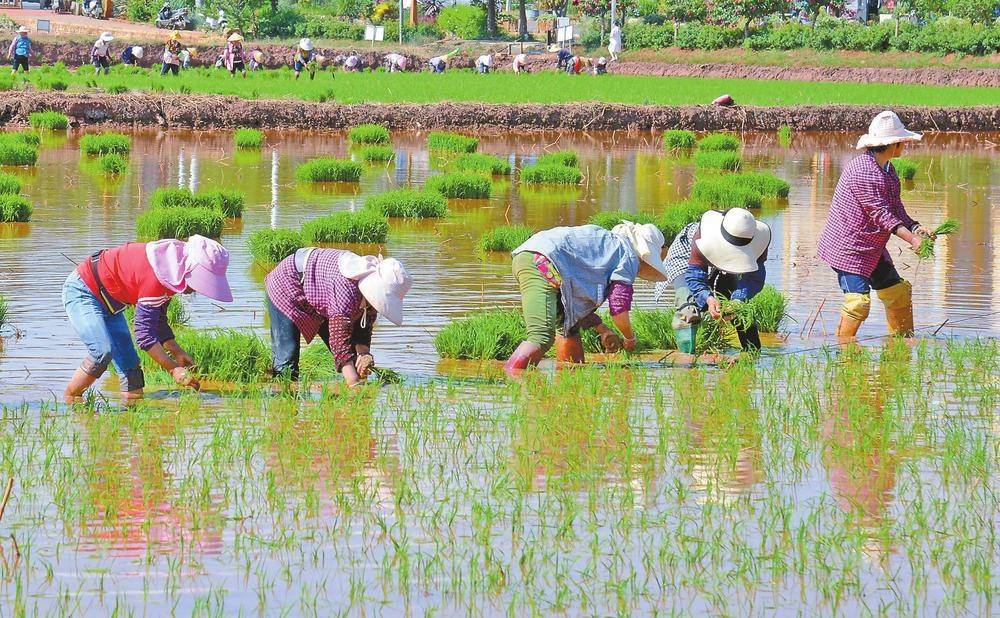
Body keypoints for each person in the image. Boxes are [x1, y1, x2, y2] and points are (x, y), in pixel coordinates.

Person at [62, 236, 234, 403]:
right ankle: (71, 400)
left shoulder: (172, 271)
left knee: (131, 369)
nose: (196, 289)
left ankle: (130, 413)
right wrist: (173, 369)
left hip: (112, 304)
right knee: (102, 352)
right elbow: (144, 334)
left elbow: (158, 320)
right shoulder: (158, 276)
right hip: (83, 290)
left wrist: (177, 351)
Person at [817, 110, 932, 340]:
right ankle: (844, 349)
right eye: (903, 142)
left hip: (871, 247)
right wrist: (912, 240)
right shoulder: (864, 170)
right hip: (848, 248)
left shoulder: (888, 169)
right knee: (858, 303)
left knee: (898, 294)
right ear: (893, 144)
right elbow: (882, 215)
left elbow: (895, 208)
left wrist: (916, 228)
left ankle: (902, 346)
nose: (905, 145)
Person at [503, 221, 671, 377]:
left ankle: (570, 382)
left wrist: (603, 329)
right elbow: (619, 307)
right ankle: (511, 380)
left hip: (530, 257)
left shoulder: (609, 247)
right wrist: (629, 338)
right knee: (541, 337)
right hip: (542, 262)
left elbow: (577, 303)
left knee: (569, 326)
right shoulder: (628, 257)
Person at [264, 248, 412, 387]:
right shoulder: (346, 291)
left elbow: (363, 327)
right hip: (286, 284)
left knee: (353, 360)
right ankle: (281, 396)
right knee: (286, 365)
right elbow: (339, 343)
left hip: (319, 292)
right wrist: (354, 385)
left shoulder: (369, 299)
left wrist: (364, 354)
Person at [656, 208, 771, 357]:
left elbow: (754, 278)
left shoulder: (756, 240)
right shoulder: (704, 238)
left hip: (730, 256)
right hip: (687, 255)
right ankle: (687, 360)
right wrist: (708, 298)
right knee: (688, 309)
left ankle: (751, 354)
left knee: (740, 310)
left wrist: (737, 300)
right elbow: (695, 276)